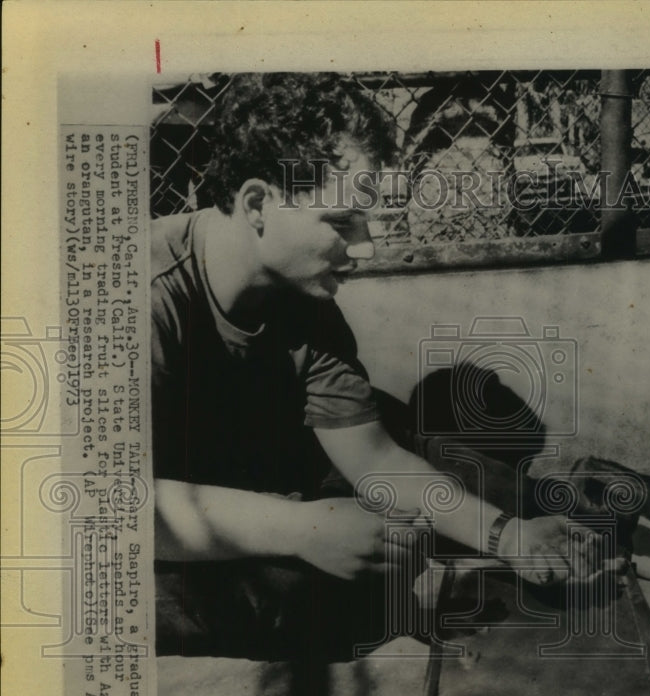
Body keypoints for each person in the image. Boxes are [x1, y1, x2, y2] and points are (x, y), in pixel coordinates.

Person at [151, 73, 584, 659]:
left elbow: (373, 457)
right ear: (257, 204)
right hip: (151, 532)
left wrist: (507, 536)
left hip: (249, 483)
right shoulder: (140, 294)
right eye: (341, 221)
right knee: (313, 592)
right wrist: (301, 529)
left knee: (403, 447)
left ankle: (566, 517)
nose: (366, 247)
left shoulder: (304, 302)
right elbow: (96, 507)